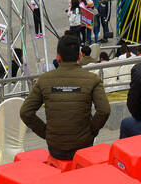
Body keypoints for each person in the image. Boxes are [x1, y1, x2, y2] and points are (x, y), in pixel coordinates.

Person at [20, 33, 111, 161]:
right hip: (83, 145)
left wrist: (46, 133)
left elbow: (25, 112)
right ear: (79, 56)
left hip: (56, 147)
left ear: (58, 57)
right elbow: (104, 110)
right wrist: (91, 131)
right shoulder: (92, 79)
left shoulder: (44, 80)